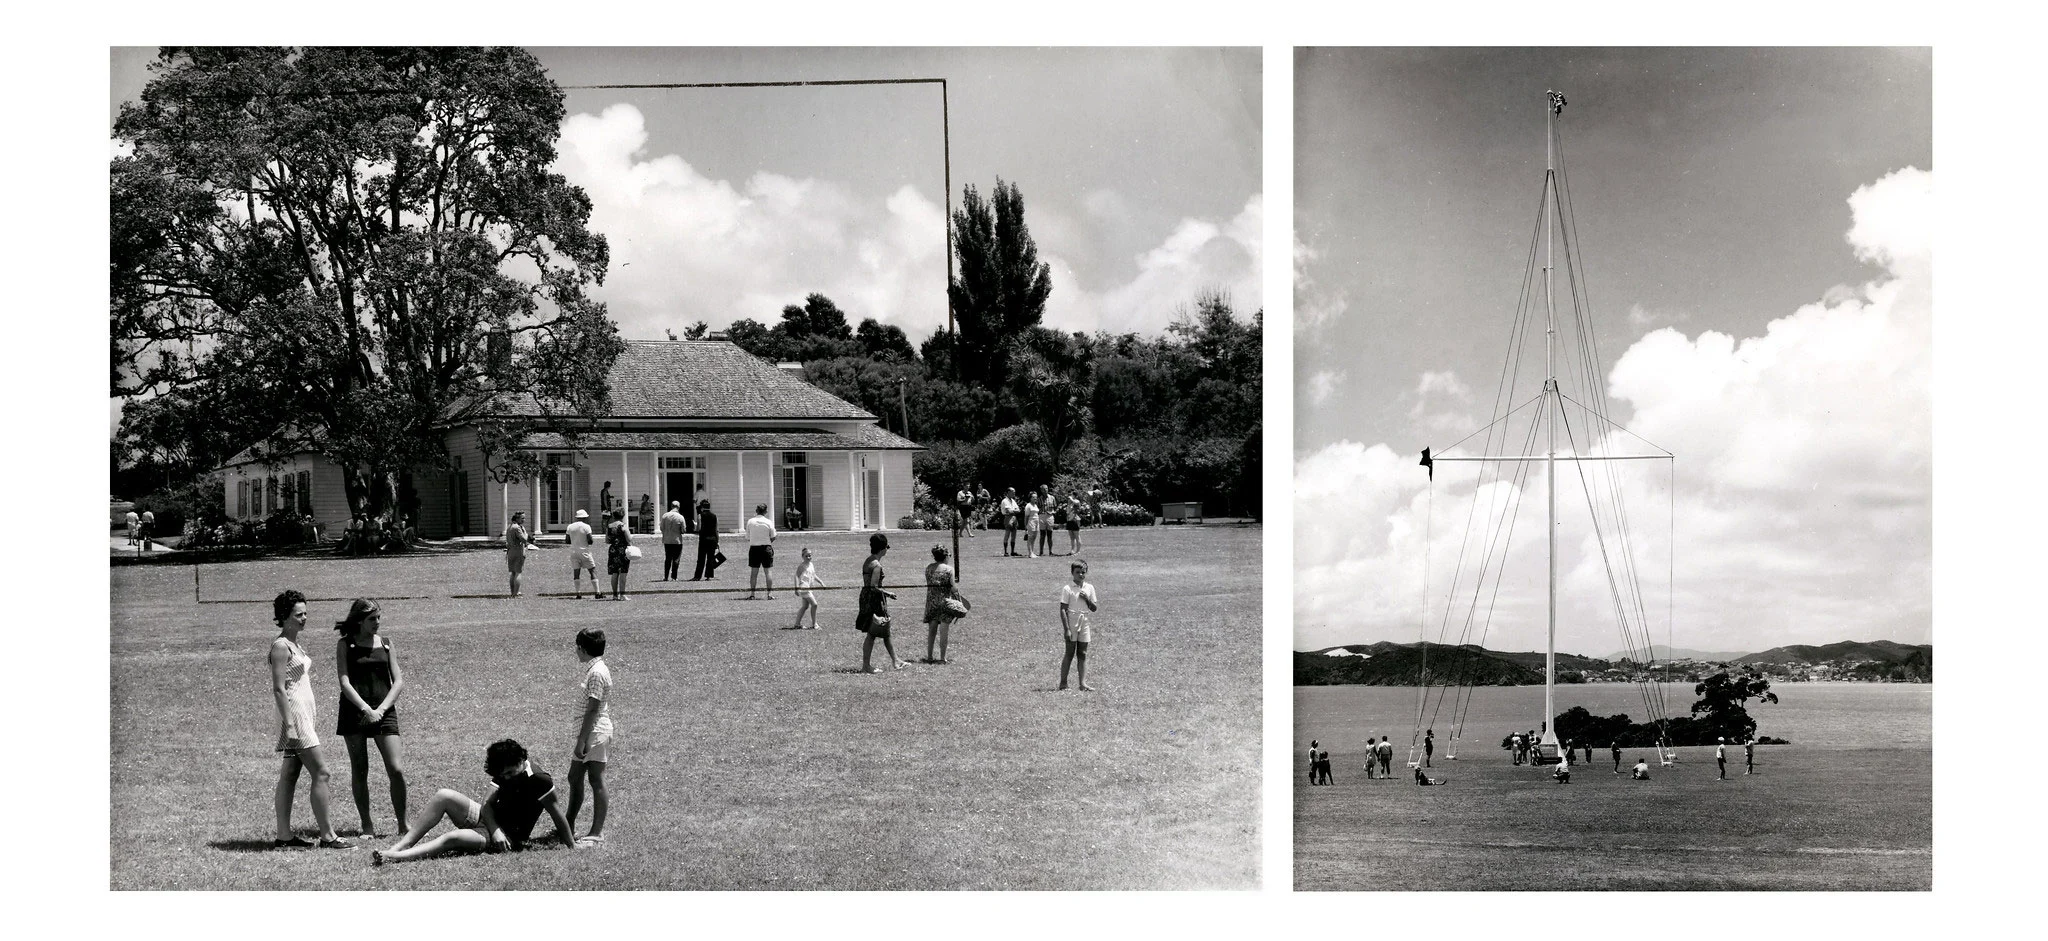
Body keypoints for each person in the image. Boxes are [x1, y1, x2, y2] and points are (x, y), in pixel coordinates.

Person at [371, 740, 575, 864]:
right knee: (444, 795)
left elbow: (556, 814)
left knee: (453, 838)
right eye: (502, 775)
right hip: (489, 820)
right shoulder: (503, 771)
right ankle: (401, 846)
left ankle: (395, 857)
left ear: (521, 761)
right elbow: (486, 805)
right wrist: (493, 827)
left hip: (506, 836)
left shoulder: (539, 779)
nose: (506, 778)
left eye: (510, 773)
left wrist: (572, 847)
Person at [268, 589, 352, 849]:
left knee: (290, 775)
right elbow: (279, 688)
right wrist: (291, 725)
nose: (304, 618)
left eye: (305, 613)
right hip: (295, 718)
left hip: (304, 716)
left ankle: (284, 837)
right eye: (298, 614)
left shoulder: (296, 644)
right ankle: (328, 836)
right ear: (284, 616)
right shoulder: (281, 646)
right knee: (322, 772)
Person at [334, 599, 408, 838]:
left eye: (378, 617)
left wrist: (382, 709)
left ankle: (403, 825)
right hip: (355, 712)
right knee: (360, 769)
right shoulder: (345, 644)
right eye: (371, 619)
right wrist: (366, 709)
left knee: (396, 769)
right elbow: (344, 681)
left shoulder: (386, 644)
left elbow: (398, 681)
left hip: (384, 712)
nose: (377, 622)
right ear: (359, 621)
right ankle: (367, 825)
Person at [567, 628, 612, 846]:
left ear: (583, 649)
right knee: (574, 778)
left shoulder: (596, 673)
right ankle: (567, 825)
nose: (575, 650)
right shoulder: (595, 669)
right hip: (589, 732)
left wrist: (582, 740)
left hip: (594, 732)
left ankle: (597, 832)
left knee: (596, 779)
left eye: (576, 646)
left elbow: (593, 709)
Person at [856, 532, 904, 673]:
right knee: (874, 632)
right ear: (883, 549)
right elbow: (874, 586)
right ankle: (866, 666)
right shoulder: (877, 565)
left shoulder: (868, 560)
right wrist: (888, 593)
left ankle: (896, 661)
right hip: (874, 600)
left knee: (884, 631)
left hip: (865, 598)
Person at [1058, 559, 1100, 691]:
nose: (1081, 575)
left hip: (1084, 620)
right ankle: (1063, 683)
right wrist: (1067, 629)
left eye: (1083, 572)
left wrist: (1087, 599)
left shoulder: (1089, 588)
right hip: (1072, 620)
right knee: (1069, 653)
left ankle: (1083, 683)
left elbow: (1094, 608)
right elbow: (1063, 609)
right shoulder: (1068, 588)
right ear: (1072, 573)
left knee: (1082, 652)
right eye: (1078, 572)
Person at [923, 545, 963, 664]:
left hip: (931, 602)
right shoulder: (949, 569)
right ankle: (942, 658)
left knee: (932, 631)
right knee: (944, 631)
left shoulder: (929, 568)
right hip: (945, 603)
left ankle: (929, 656)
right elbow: (953, 588)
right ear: (945, 556)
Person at [744, 503, 777, 600]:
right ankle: (769, 594)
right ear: (766, 512)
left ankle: (752, 594)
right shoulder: (769, 522)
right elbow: (773, 536)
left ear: (756, 511)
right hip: (766, 547)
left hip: (754, 548)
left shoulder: (750, 521)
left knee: (754, 572)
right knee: (768, 572)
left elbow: (747, 537)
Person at [566, 508, 598, 600]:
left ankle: (578, 593)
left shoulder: (570, 527)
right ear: (584, 518)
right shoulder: (586, 527)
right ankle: (597, 592)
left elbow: (567, 540)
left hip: (574, 551)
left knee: (576, 572)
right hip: (584, 551)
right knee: (592, 570)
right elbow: (590, 540)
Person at [790, 547, 824, 629]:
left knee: (805, 606)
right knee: (814, 604)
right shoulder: (802, 566)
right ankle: (814, 624)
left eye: (810, 555)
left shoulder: (811, 564)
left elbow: (814, 575)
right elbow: (796, 577)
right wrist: (796, 588)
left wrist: (821, 582)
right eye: (806, 556)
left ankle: (797, 624)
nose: (808, 557)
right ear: (802, 557)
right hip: (804, 588)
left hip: (808, 588)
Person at [603, 508, 632, 601]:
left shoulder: (609, 526)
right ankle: (622, 594)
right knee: (623, 572)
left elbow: (607, 540)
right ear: (622, 516)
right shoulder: (623, 526)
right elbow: (629, 539)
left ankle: (614, 595)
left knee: (614, 573)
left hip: (613, 550)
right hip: (622, 550)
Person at [504, 511, 535, 597]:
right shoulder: (517, 528)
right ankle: (515, 593)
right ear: (517, 518)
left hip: (510, 551)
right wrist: (525, 533)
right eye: (522, 518)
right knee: (518, 572)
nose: (524, 520)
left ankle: (512, 592)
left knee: (513, 573)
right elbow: (524, 539)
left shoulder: (509, 527)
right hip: (518, 550)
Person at [691, 500, 722, 580]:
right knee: (710, 558)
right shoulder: (715, 516)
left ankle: (697, 576)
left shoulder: (700, 516)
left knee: (701, 558)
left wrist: (695, 525)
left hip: (704, 539)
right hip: (713, 539)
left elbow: (699, 528)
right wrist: (717, 541)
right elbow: (716, 530)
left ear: (702, 508)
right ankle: (708, 576)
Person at [659, 501, 688, 581]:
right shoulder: (680, 517)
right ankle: (674, 577)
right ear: (678, 507)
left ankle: (666, 576)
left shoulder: (665, 516)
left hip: (667, 540)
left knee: (668, 558)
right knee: (676, 559)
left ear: (671, 506)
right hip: (677, 540)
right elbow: (683, 530)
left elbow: (661, 528)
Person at [999, 488, 1021, 556]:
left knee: (1014, 535)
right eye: (1013, 492)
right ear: (1008, 492)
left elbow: (1018, 510)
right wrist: (1014, 511)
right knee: (1007, 534)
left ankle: (1012, 551)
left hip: (1014, 517)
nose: (1014, 493)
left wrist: (1013, 511)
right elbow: (1009, 511)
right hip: (1008, 517)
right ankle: (1005, 551)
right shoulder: (1005, 501)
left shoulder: (1013, 501)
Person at [1023, 493, 1042, 558]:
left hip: (1036, 523)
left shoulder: (1035, 505)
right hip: (1031, 523)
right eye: (1034, 497)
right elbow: (1026, 516)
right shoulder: (1028, 506)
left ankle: (1032, 552)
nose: (1035, 498)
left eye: (1036, 497)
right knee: (1030, 538)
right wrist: (1026, 526)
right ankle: (1030, 553)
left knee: (1034, 538)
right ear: (1030, 498)